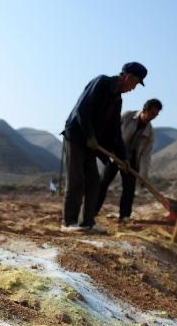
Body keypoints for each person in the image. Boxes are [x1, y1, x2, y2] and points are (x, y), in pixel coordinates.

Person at [60, 62, 147, 232]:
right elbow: (82, 111)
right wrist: (90, 135)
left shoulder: (117, 99)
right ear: (128, 77)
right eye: (136, 84)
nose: (134, 88)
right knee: (76, 180)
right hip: (77, 138)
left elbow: (115, 131)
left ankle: (87, 222)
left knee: (94, 183)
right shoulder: (102, 83)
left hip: (92, 145)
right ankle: (69, 222)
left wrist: (124, 158)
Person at [95, 99, 162, 223]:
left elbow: (145, 156)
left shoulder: (150, 133)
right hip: (114, 155)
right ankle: (92, 211)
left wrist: (143, 175)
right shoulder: (127, 116)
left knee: (129, 189)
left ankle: (125, 216)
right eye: (152, 113)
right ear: (145, 110)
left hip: (131, 162)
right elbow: (112, 131)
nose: (153, 117)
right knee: (103, 183)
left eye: (156, 115)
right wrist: (110, 149)